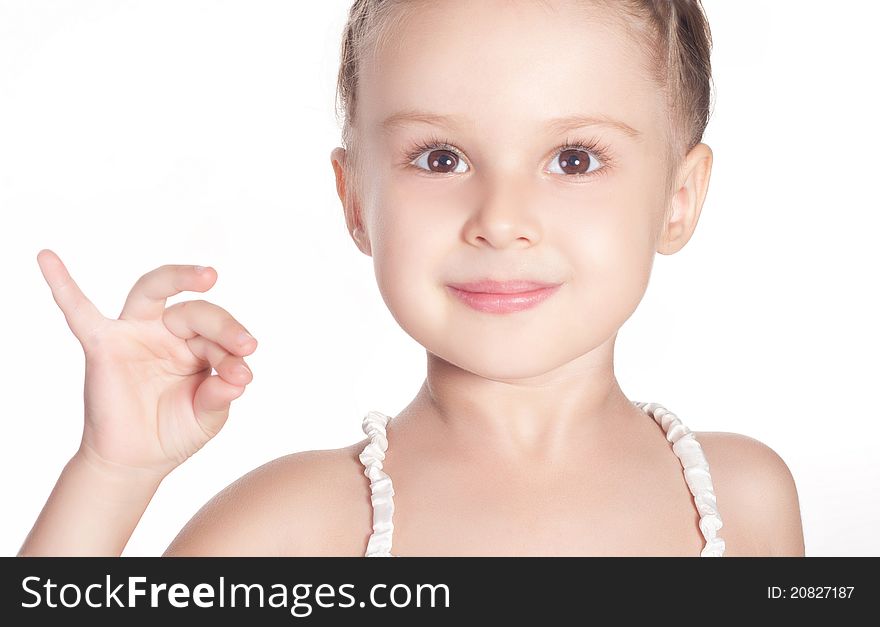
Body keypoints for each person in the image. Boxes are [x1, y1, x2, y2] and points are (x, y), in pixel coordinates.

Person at [17, 0, 805, 557]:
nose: (500, 218)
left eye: (574, 159)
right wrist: (113, 472)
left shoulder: (744, 501)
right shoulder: (296, 529)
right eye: (441, 158)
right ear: (357, 199)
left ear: (678, 198)